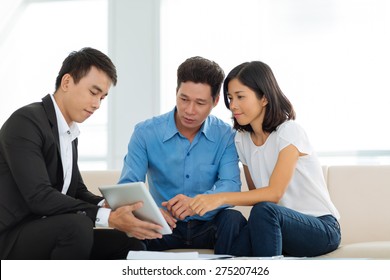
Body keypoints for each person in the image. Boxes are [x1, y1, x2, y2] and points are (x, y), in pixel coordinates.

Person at [0, 47, 163, 260]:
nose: (96, 104)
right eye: (93, 93)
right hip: (10, 235)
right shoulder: (26, 121)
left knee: (129, 244)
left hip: (45, 229)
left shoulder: (68, 132)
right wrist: (108, 217)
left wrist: (107, 205)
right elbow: (39, 196)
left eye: (102, 97)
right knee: (77, 227)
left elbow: (76, 189)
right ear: (67, 82)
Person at [189, 61, 341, 257]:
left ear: (264, 98)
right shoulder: (242, 140)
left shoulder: (289, 132)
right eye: (230, 97)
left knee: (264, 210)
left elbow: (274, 193)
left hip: (321, 228)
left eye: (240, 97)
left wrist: (218, 197)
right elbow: (257, 195)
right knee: (230, 243)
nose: (233, 105)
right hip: (276, 225)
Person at [118, 56, 246, 254]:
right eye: (183, 99)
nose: (189, 110)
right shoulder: (145, 132)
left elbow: (231, 186)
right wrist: (150, 212)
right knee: (128, 234)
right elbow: (127, 186)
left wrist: (196, 204)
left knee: (233, 219)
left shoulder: (226, 136)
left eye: (200, 103)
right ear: (176, 92)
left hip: (208, 226)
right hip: (162, 226)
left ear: (215, 101)